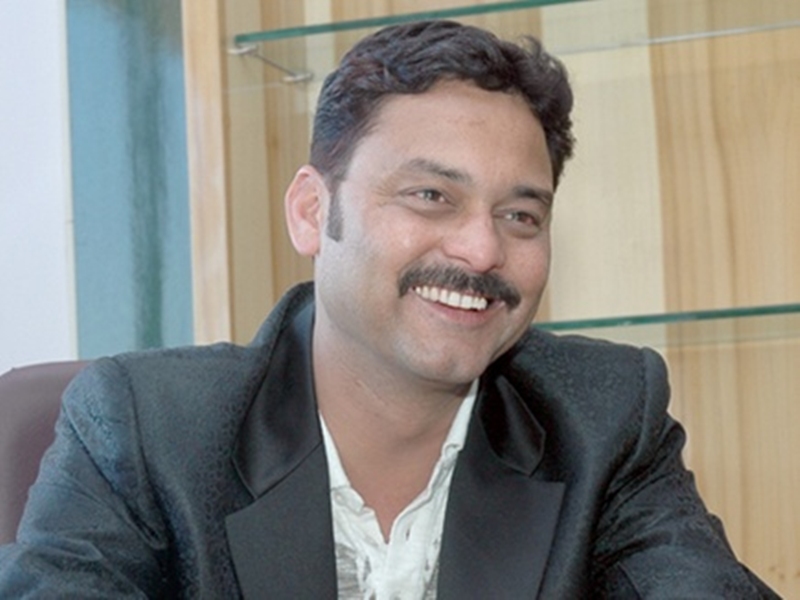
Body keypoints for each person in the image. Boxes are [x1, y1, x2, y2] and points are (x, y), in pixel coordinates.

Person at [0, 19, 779, 599]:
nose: (482, 250)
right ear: (312, 212)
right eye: (431, 195)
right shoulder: (144, 431)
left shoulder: (603, 422)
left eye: (520, 215)